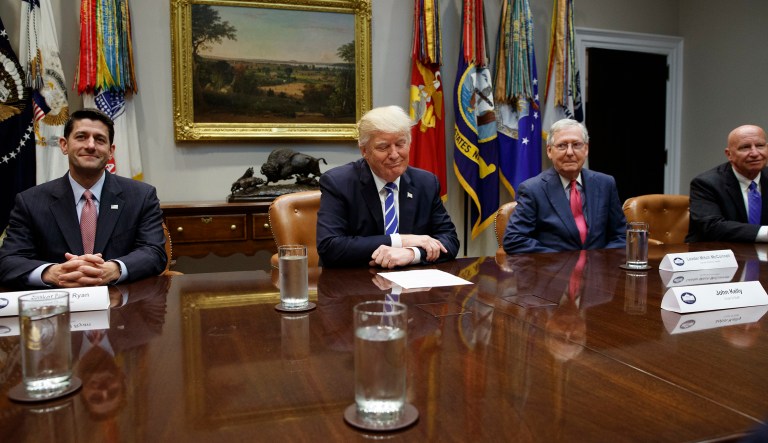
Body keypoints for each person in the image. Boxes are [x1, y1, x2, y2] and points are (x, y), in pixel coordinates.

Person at [0, 108, 166, 288]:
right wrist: (52, 273)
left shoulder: (141, 196)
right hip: (58, 307)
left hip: (122, 307)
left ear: (111, 151)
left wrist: (113, 269)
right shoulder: (30, 201)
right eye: (81, 137)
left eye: (100, 139)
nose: (91, 145)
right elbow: (8, 261)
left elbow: (154, 252)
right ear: (64, 145)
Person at [317, 105, 459, 268]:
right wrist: (402, 240)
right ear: (364, 151)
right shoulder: (338, 183)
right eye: (383, 147)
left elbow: (450, 240)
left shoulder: (426, 183)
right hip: (354, 285)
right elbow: (330, 247)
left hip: (412, 286)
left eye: (400, 144)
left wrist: (412, 253)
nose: (394, 155)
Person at [503, 118, 626, 254]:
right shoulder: (532, 189)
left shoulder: (605, 184)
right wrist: (562, 260)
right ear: (549, 151)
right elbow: (514, 239)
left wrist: (599, 260)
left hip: (599, 271)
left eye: (576, 144)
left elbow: (621, 236)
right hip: (555, 272)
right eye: (562, 145)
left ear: (586, 149)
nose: (569, 152)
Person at [686, 124, 768, 242]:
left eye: (760, 146)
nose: (755, 153)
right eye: (745, 147)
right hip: (715, 254)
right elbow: (712, 227)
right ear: (729, 154)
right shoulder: (706, 183)